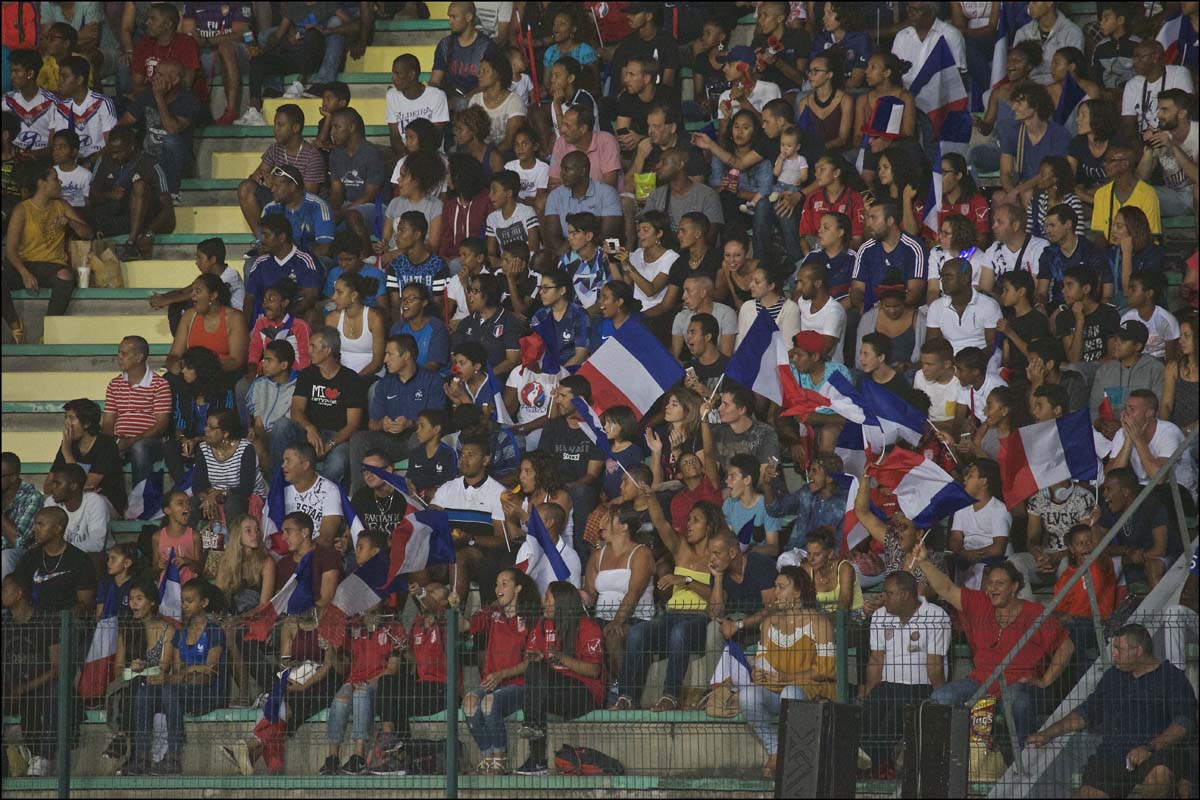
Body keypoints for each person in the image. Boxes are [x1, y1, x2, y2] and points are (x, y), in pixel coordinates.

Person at [914, 543, 1073, 746]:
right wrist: (923, 562)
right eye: (990, 583)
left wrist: (1046, 680)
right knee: (940, 697)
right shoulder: (980, 603)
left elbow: (1066, 647)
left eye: (1000, 584)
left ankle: (1025, 753)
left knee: (1018, 701)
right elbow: (946, 588)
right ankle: (941, 761)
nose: (992, 589)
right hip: (980, 682)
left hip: (1018, 685)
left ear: (1015, 587)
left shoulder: (1034, 613)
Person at [1026, 623, 1196, 798]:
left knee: (1158, 775)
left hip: (1157, 752)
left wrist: (1149, 748)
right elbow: (1086, 713)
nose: (1113, 654)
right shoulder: (1113, 676)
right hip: (1112, 755)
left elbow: (1183, 723)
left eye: (1118, 649)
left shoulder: (1172, 677)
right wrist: (1048, 733)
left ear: (1137, 651)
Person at [611, 490, 717, 712]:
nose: (689, 524)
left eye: (696, 520)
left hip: (698, 619)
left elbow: (716, 599)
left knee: (679, 633)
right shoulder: (681, 549)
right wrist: (650, 498)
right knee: (638, 632)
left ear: (709, 527)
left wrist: (685, 580)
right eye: (688, 519)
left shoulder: (716, 556)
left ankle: (670, 696)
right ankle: (626, 697)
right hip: (670, 616)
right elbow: (660, 523)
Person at [736, 565, 835, 776]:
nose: (775, 592)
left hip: (810, 690)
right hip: (776, 688)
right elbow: (762, 661)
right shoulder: (769, 622)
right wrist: (757, 672)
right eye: (775, 586)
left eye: (781, 587)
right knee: (748, 695)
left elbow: (826, 670)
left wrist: (790, 678)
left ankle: (793, 755)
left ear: (798, 592)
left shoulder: (819, 622)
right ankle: (776, 750)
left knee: (790, 692)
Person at [123, 578, 226, 776]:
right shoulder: (181, 633)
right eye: (183, 601)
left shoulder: (213, 631)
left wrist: (187, 674)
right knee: (145, 693)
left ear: (203, 603)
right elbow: (181, 671)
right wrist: (192, 670)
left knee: (169, 690)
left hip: (208, 694)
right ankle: (142, 756)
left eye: (189, 601)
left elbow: (209, 674)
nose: (184, 605)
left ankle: (174, 756)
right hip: (183, 690)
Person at [322, 534, 402, 776]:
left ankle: (358, 755)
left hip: (374, 683)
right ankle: (332, 758)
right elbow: (340, 664)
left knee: (360, 693)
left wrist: (367, 682)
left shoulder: (393, 626)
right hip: (353, 680)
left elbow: (393, 669)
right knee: (340, 699)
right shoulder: (353, 624)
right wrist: (330, 650)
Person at [860, 570, 949, 777]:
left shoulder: (935, 615)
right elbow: (876, 658)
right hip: (888, 684)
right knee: (867, 714)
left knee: (893, 719)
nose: (884, 598)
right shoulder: (880, 616)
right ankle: (878, 765)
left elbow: (935, 662)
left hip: (920, 686)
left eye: (889, 593)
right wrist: (870, 693)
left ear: (906, 595)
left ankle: (875, 764)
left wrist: (939, 700)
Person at [457, 567, 538, 776]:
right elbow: (463, 625)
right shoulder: (491, 615)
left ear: (518, 588)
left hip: (519, 685)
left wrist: (501, 675)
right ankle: (488, 757)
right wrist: (454, 606)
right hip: (492, 683)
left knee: (488, 702)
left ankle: (500, 759)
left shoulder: (531, 618)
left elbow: (531, 662)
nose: (498, 588)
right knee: (468, 702)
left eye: (504, 583)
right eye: (497, 583)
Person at [2, 571, 82, 777]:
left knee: (56, 691)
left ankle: (43, 756)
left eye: (5, 587)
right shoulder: (5, 625)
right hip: (12, 686)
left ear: (19, 593)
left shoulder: (45, 621)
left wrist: (23, 688)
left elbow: (58, 667)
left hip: (41, 685)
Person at [2, 159, 89, 343]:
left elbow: (87, 234)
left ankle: (47, 332)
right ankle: (16, 326)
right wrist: (24, 273)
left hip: (52, 265)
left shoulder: (61, 206)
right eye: (56, 179)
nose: (60, 183)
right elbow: (10, 250)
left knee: (65, 276)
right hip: (24, 264)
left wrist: (70, 222)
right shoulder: (22, 209)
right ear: (42, 184)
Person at [347, 334, 444, 494]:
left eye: (390, 354)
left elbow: (437, 421)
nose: (385, 359)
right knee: (359, 438)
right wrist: (382, 425)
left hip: (416, 438)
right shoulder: (385, 383)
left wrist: (411, 424)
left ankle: (418, 496)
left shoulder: (432, 381)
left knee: (420, 438)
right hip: (390, 441)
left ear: (406, 356)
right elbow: (372, 423)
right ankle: (356, 496)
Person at [583, 503, 656, 680]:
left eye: (609, 519)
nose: (602, 523)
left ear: (624, 527)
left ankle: (622, 688)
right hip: (602, 618)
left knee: (614, 635)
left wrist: (617, 621)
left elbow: (634, 592)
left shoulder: (641, 553)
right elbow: (591, 594)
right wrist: (581, 596)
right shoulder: (597, 556)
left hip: (636, 618)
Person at [433, 434, 509, 604]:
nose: (463, 460)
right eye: (462, 455)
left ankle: (456, 617)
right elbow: (430, 521)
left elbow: (501, 540)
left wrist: (471, 539)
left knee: (460, 555)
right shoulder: (448, 488)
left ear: (485, 460)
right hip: (447, 551)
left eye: (471, 455)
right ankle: (428, 615)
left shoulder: (499, 493)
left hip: (480, 557)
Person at [106, 578, 171, 766]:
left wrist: (145, 668)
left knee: (137, 689)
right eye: (131, 599)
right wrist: (130, 668)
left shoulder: (166, 629)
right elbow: (118, 667)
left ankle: (123, 740)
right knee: (130, 688)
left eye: (139, 598)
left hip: (156, 682)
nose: (133, 603)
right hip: (131, 681)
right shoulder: (126, 630)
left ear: (152, 602)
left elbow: (165, 666)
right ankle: (126, 743)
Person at [86, 126, 176, 260]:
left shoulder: (150, 164)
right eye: (112, 152)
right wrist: (109, 194)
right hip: (116, 217)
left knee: (139, 186)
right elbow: (92, 195)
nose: (114, 156)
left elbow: (167, 207)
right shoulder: (105, 160)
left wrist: (150, 233)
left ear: (132, 147)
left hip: (144, 219)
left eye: (119, 152)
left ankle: (131, 243)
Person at [212, 515, 275, 707]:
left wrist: (240, 620)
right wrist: (225, 619)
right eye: (248, 530)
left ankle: (249, 692)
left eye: (256, 529)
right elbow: (219, 597)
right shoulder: (227, 563)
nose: (254, 534)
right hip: (232, 619)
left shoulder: (266, 562)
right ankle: (241, 693)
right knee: (226, 633)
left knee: (236, 635)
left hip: (256, 618)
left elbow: (264, 604)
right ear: (238, 535)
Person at [118, 59, 200, 197]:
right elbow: (124, 122)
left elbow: (172, 130)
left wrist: (159, 97)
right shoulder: (147, 95)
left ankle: (172, 193)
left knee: (169, 140)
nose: (153, 77)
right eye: (155, 73)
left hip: (176, 161)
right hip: (148, 157)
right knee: (120, 187)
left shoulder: (188, 100)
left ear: (174, 80)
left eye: (159, 74)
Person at [103, 336, 172, 493]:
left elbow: (161, 425)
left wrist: (131, 441)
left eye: (124, 354)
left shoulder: (159, 384)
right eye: (119, 353)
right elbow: (107, 423)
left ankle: (140, 503)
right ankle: (111, 503)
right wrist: (114, 443)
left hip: (149, 441)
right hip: (120, 440)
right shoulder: (114, 384)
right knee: (99, 446)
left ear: (139, 357)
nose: (119, 358)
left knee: (139, 448)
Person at [1110, 388, 1198, 503]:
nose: (1125, 414)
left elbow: (1159, 478)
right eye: (1125, 408)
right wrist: (1128, 442)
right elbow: (1110, 477)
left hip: (1177, 493)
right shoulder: (1122, 433)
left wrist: (1138, 440)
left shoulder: (1169, 432)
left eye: (1132, 409)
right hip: (1144, 490)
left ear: (1149, 413)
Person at [995, 82, 1072, 208]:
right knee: (998, 197)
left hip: (1050, 187)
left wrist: (1017, 191)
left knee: (1028, 194)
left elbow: (1049, 174)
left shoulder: (1059, 135)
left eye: (1019, 103)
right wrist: (1011, 192)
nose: (1014, 108)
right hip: (1021, 187)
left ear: (1035, 106)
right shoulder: (1013, 133)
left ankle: (1034, 228)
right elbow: (1005, 172)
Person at [541, 151, 622, 270]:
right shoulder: (555, 196)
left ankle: (617, 281)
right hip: (568, 247)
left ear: (583, 171)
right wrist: (570, 252)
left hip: (599, 247)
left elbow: (610, 234)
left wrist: (583, 248)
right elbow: (552, 237)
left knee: (613, 246)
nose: (562, 174)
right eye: (562, 169)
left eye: (567, 169)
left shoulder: (607, 192)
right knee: (544, 258)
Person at [179, 1, 250, 126]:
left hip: (237, 51)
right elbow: (188, 33)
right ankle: (188, 114)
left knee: (225, 47)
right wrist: (199, 41)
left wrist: (207, 41)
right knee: (184, 52)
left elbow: (240, 34)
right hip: (206, 53)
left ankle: (231, 111)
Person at [242, 214, 323, 325]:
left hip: (294, 318)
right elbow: (249, 298)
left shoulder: (305, 260)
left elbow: (310, 296)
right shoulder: (261, 262)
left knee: (312, 315)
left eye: (267, 236)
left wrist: (283, 318)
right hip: (265, 320)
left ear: (281, 237)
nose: (262, 240)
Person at [167, 274, 249, 381]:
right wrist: (175, 366)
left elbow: (236, 362)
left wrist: (202, 368)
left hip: (222, 375)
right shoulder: (189, 316)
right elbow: (174, 355)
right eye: (192, 291)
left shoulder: (235, 318)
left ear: (213, 295)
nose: (192, 296)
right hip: (191, 373)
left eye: (198, 291)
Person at [192, 409, 264, 529]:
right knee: (192, 504)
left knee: (232, 503)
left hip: (246, 498)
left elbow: (245, 488)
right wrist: (207, 498)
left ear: (225, 433)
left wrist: (219, 494)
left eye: (211, 427)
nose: (205, 430)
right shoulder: (203, 448)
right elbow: (198, 485)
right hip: (214, 497)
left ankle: (234, 545)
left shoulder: (246, 449)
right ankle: (191, 544)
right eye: (206, 425)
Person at [851, 202, 926, 312]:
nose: (868, 224)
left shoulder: (913, 247)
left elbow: (914, 292)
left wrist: (888, 312)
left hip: (904, 313)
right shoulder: (866, 249)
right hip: (873, 312)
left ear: (890, 221)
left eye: (873, 218)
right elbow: (857, 288)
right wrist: (863, 307)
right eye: (868, 218)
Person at [765, 454, 847, 553]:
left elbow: (839, 547)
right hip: (795, 555)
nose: (809, 475)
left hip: (824, 561)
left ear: (829, 478)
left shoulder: (844, 505)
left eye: (814, 471)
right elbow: (775, 510)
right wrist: (767, 485)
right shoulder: (805, 492)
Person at [450, 272, 525, 380]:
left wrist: (485, 377)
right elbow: (454, 355)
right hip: (467, 379)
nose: (469, 295)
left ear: (489, 293)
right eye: (469, 290)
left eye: (475, 291)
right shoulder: (466, 322)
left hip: (497, 381)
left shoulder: (508, 320)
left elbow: (512, 360)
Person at [1137, 88, 1198, 218]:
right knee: (1136, 193)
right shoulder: (1161, 135)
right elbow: (1140, 180)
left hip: (1194, 195)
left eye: (1165, 110)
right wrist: (1149, 148)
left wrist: (1172, 146)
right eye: (1158, 110)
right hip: (1172, 195)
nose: (1158, 115)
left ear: (1182, 113)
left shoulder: (1197, 133)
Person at [1038, 206, 1111, 310]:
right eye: (1046, 226)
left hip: (1089, 308)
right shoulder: (1048, 254)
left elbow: (1107, 291)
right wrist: (1040, 306)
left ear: (1068, 224)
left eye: (1052, 225)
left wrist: (1100, 312)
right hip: (1058, 307)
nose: (1047, 231)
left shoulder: (1091, 251)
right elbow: (1042, 292)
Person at [1091, 322, 1166, 421]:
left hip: (1142, 431)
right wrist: (1099, 424)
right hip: (1106, 430)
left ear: (1138, 346)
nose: (1116, 344)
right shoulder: (1104, 370)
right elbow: (1094, 408)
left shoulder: (1155, 369)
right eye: (1116, 339)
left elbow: (1157, 410)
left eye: (1123, 341)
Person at [1122, 40, 1195, 141]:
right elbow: (1128, 125)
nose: (1135, 62)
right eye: (1134, 57)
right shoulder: (1132, 85)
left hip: (1175, 138)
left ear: (1155, 57)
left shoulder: (1178, 73)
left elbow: (1186, 110)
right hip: (1146, 141)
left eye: (1140, 57)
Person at [927, 257, 1002, 355]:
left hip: (979, 362)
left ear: (965, 278)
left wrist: (964, 362)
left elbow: (993, 348)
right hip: (948, 362)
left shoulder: (988, 305)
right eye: (942, 277)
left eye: (948, 276)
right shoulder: (936, 307)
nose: (942, 281)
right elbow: (933, 346)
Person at [130, 3, 204, 102]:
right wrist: (158, 92)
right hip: (151, 100)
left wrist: (159, 91)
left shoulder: (186, 43)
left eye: (153, 19)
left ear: (168, 24)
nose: (147, 23)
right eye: (148, 18)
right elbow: (136, 86)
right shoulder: (144, 44)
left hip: (181, 103)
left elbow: (186, 84)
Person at [1092, 143, 1162, 243]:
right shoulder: (1101, 194)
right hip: (1112, 254)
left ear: (1125, 164)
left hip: (1140, 253)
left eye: (1110, 161)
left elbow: (1151, 236)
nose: (1104, 164)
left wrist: (1127, 254)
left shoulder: (1147, 193)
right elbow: (1099, 235)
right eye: (1105, 161)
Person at [643, 147, 724, 234]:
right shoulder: (655, 196)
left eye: (664, 162)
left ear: (680, 165)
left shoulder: (707, 195)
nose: (657, 166)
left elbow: (710, 238)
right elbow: (645, 232)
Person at [430, 0, 496, 104]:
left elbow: (489, 83)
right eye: (449, 17)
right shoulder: (445, 45)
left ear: (468, 17)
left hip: (477, 102)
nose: (450, 21)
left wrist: (465, 99)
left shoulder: (486, 45)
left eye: (454, 17)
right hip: (449, 102)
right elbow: (435, 81)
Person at [979, 203, 1049, 296]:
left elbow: (1036, 291)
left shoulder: (1040, 247)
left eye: (999, 222)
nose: (993, 226)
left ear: (1015, 225)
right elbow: (985, 288)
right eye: (994, 221)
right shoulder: (994, 248)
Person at [609, 3, 679, 94]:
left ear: (649, 16)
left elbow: (667, 84)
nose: (629, 16)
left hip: (660, 101)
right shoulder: (627, 43)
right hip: (633, 99)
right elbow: (624, 82)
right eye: (629, 13)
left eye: (634, 13)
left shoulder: (668, 42)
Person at [891, 2, 967, 87]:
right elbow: (894, 73)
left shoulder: (950, 35)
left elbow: (956, 79)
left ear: (931, 12)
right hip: (905, 94)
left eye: (916, 10)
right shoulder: (902, 36)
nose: (910, 13)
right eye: (909, 8)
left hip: (939, 94)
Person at [1012, 2, 1083, 86]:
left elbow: (1074, 74)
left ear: (1049, 3)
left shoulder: (1072, 33)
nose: (1030, 6)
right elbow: (1016, 69)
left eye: (1034, 2)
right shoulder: (1022, 33)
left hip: (1061, 90)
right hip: (1029, 89)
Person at [1107, 206, 1165, 309]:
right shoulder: (1111, 252)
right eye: (1113, 225)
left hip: (1145, 309)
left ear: (1133, 229)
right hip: (1119, 307)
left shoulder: (1154, 253)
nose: (1113, 230)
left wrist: (1126, 254)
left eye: (1119, 226)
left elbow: (1129, 292)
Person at [1068, 99, 1124, 205]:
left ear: (1098, 118)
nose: (1077, 120)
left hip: (1113, 198)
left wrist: (1092, 192)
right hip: (1087, 199)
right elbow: (1068, 180)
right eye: (1078, 115)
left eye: (1083, 115)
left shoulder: (1117, 142)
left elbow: (1119, 181)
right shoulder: (1077, 142)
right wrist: (1092, 200)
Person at [468, 52, 526, 154]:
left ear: (499, 74)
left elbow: (509, 142)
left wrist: (488, 157)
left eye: (485, 71)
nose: (479, 75)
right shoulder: (475, 100)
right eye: (479, 71)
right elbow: (471, 135)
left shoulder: (514, 102)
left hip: (506, 156)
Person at [4, 49, 56, 155]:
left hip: (41, 162)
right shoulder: (7, 101)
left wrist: (30, 156)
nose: (12, 76)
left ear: (30, 73)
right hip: (13, 159)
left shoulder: (52, 103)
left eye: (17, 71)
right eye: (11, 71)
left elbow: (54, 146)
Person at [736, 264, 800, 348]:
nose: (751, 285)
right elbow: (740, 343)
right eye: (751, 280)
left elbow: (789, 346)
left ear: (770, 286)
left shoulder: (790, 308)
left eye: (757, 282)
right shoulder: (747, 307)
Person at [673, 277, 736, 361]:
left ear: (703, 293)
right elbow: (674, 356)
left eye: (688, 291)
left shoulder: (726, 313)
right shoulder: (681, 317)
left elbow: (726, 355)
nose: (683, 297)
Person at [2, 452, 42, 578]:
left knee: (6, 556)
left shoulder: (32, 497)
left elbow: (19, 542)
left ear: (13, 477)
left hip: (21, 555)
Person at [1122, 272, 1179, 361]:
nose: (1128, 294)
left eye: (1133, 289)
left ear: (1149, 293)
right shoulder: (1127, 319)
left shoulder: (1166, 320)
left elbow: (1170, 359)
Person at [1161, 314, 1198, 432]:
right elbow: (1166, 405)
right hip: (1176, 431)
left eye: (1187, 336)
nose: (1181, 341)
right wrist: (1164, 430)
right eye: (1180, 336)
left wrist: (1187, 432)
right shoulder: (1173, 367)